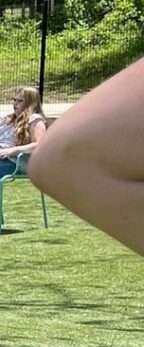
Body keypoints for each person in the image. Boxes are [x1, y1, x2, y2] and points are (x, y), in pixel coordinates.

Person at [29, 59, 144, 257]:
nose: (14, 104)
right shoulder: (10, 121)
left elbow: (58, 157)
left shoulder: (35, 122)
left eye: (19, 100)